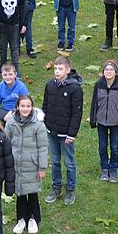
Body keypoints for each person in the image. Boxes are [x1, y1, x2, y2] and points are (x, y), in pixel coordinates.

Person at [41, 55, 83, 205]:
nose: (57, 72)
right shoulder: (50, 85)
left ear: (68, 70)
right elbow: (45, 106)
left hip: (66, 133)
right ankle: (56, 187)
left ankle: (70, 189)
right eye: (55, 69)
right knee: (55, 161)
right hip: (52, 130)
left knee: (69, 162)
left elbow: (77, 113)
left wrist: (72, 134)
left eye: (60, 69)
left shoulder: (75, 89)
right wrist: (45, 123)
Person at [4, 95, 47, 234]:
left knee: (32, 192)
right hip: (16, 164)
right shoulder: (10, 123)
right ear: (17, 107)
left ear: (32, 107)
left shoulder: (38, 125)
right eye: (22, 106)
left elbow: (43, 147)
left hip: (32, 164)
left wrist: (42, 167)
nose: (25, 109)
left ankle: (33, 218)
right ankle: (21, 218)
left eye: (28, 106)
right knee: (20, 192)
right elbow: (6, 143)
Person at [89, 60, 118, 183]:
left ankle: (113, 169)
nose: (109, 72)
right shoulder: (98, 84)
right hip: (101, 121)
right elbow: (94, 102)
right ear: (103, 72)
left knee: (115, 147)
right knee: (102, 146)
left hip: (115, 121)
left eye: (111, 70)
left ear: (115, 72)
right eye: (106, 70)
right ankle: (104, 168)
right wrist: (93, 118)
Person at [0, 63, 29, 128]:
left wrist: (13, 112)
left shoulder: (21, 87)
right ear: (2, 75)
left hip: (19, 111)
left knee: (14, 123)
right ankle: (0, 134)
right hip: (5, 109)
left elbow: (26, 104)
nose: (8, 77)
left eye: (10, 74)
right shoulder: (0, 86)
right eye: (5, 75)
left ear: (15, 74)